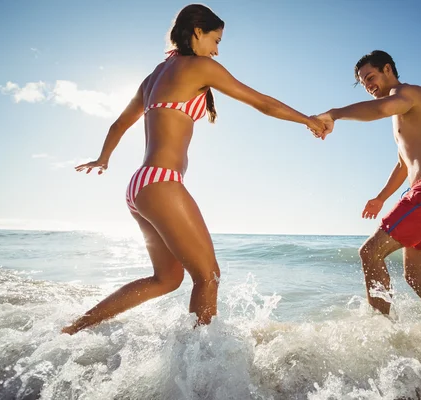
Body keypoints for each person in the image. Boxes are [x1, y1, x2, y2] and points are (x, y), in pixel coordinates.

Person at [62, 4, 325, 335]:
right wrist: (308, 120)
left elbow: (119, 124)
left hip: (139, 186)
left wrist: (104, 159)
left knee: (167, 279)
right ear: (197, 32)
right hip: (161, 183)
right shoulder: (199, 67)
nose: (216, 50)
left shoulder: (154, 76)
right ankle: (200, 366)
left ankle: (74, 329)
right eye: (215, 39)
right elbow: (263, 103)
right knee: (208, 276)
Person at [313, 50, 421, 318]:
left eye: (370, 77)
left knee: (370, 253)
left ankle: (379, 331)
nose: (368, 86)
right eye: (363, 82)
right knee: (416, 276)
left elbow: (380, 109)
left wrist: (333, 114)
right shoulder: (401, 113)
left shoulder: (409, 95)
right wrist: (381, 198)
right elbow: (403, 165)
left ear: (388, 69)